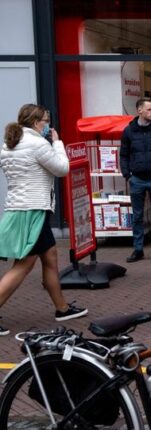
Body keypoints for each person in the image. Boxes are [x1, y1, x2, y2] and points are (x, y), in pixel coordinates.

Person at [0, 104, 89, 335]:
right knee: (24, 264)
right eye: (46, 121)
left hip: (20, 209)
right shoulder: (37, 143)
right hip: (34, 211)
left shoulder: (9, 143)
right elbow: (62, 168)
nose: (48, 125)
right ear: (36, 122)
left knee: (50, 257)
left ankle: (62, 308)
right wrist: (57, 143)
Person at [120, 97, 151, 263]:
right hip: (137, 179)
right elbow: (124, 154)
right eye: (149, 109)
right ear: (139, 110)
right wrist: (127, 174)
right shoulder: (129, 131)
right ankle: (138, 249)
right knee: (137, 216)